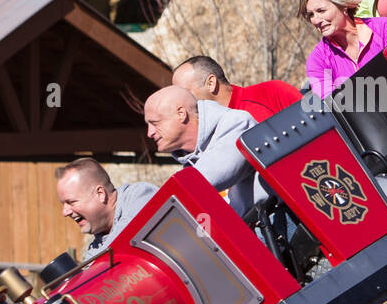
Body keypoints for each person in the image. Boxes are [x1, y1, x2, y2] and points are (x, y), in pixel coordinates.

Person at [143, 86, 263, 214]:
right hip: (249, 229)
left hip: (276, 223)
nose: (149, 133)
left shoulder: (237, 122)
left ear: (181, 114)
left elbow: (216, 174)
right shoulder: (190, 167)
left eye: (155, 123)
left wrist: (162, 202)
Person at [299, 0, 387, 99]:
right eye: (311, 15)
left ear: (343, 4)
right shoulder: (317, 60)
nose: (316, 20)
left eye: (321, 11)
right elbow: (333, 106)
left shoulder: (386, 29)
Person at [55, 157, 157, 260]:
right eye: (63, 204)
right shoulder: (94, 250)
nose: (65, 212)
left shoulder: (139, 196)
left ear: (100, 194)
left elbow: (125, 239)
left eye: (71, 202)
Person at [171, 55, 300, 122]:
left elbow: (316, 123)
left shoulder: (272, 92)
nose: (181, 102)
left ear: (211, 83)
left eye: (185, 93)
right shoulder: (205, 134)